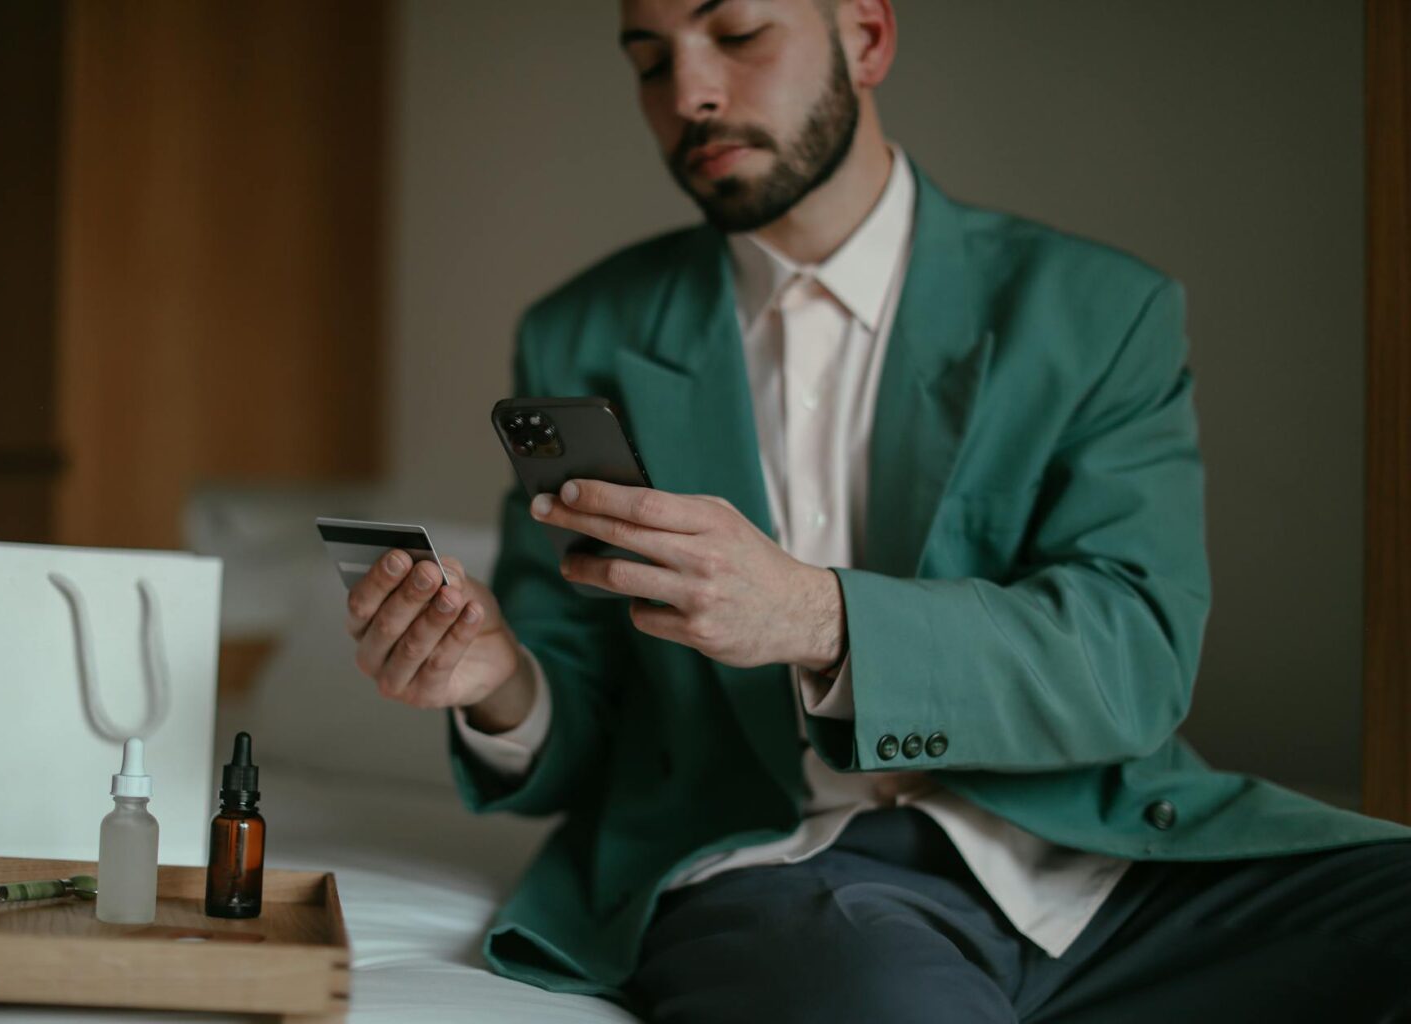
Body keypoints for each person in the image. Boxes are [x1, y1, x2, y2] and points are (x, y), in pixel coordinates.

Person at [343, 0, 1411, 1020]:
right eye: (650, 61)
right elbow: (582, 719)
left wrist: (815, 614)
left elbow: (1133, 660)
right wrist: (500, 685)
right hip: (785, 869)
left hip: (1105, 865)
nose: (690, 94)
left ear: (866, 36)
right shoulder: (583, 332)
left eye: (738, 33)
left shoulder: (1097, 312)